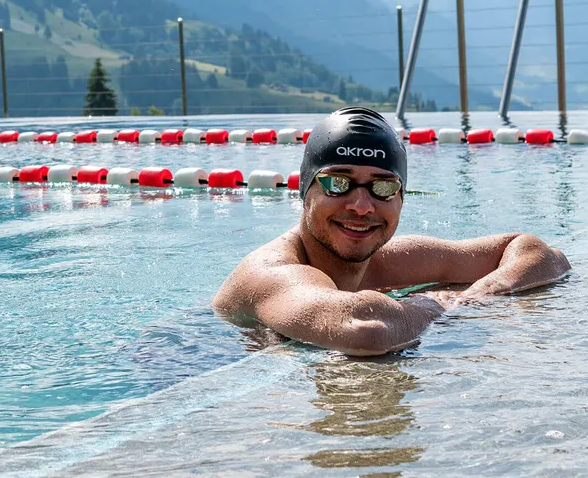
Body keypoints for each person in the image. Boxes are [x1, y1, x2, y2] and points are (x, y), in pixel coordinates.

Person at [213, 107, 569, 356]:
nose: (362, 206)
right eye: (338, 183)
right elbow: (366, 330)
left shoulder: (391, 260)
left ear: (401, 198)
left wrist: (477, 296)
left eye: (382, 187)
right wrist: (435, 304)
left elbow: (537, 252)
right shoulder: (271, 274)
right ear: (304, 190)